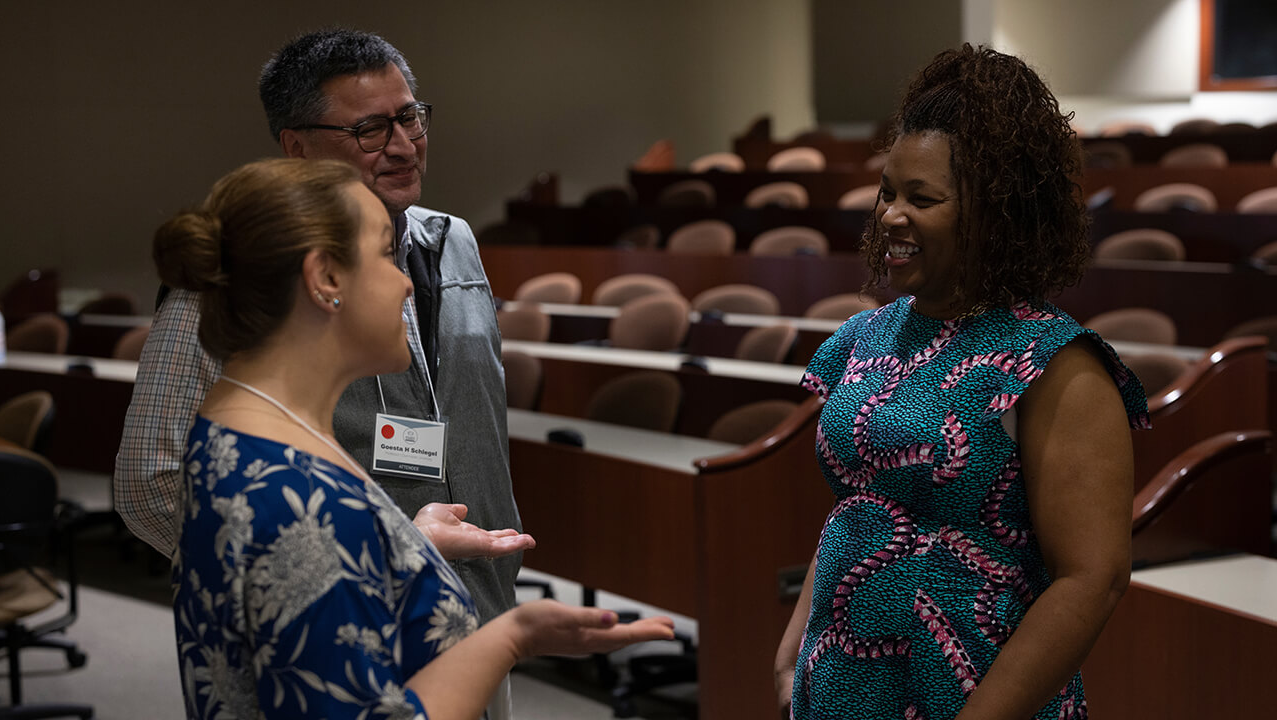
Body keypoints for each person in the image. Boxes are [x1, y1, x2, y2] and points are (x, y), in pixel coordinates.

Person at [156, 157, 675, 719]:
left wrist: (399, 540)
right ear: (326, 279)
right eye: (384, 254)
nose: (406, 280)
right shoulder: (302, 500)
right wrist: (514, 636)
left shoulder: (234, 423)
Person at [774, 45, 1149, 720]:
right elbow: (859, 504)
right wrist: (796, 639)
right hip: (843, 687)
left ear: (995, 215)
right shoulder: (866, 336)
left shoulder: (1055, 362)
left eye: (923, 198)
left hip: (972, 693)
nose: (891, 214)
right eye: (888, 190)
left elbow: (1092, 580)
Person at [115, 29, 526, 621]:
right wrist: (320, 580)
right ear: (297, 148)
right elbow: (151, 486)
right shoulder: (240, 273)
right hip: (345, 619)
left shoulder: (452, 241)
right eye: (370, 129)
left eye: (410, 117)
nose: (405, 145)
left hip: (480, 600)